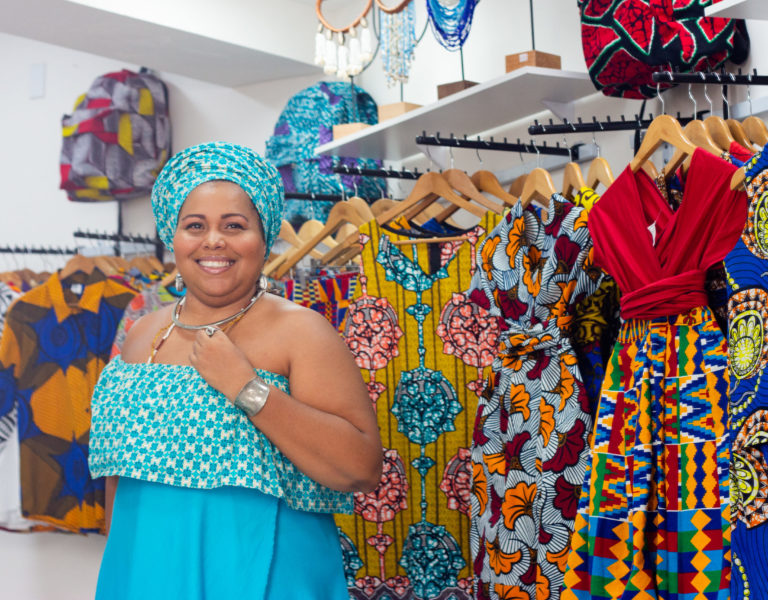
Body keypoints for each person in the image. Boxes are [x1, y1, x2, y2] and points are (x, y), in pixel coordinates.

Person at [88, 142, 383, 599]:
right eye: (195, 226)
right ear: (173, 236)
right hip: (148, 570)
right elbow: (120, 479)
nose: (213, 241)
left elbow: (361, 468)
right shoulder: (144, 333)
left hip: (265, 574)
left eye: (234, 225)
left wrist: (247, 387)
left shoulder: (302, 333)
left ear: (263, 237)